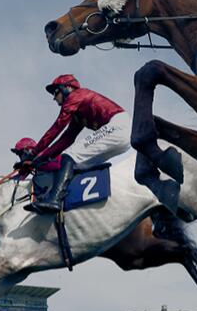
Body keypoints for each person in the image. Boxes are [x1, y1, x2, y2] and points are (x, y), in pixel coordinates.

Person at [15, 74, 129, 214]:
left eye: (55, 92)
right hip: (121, 134)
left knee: (69, 156)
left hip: (118, 127)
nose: (54, 97)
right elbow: (66, 140)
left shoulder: (75, 96)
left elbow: (56, 128)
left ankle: (54, 200)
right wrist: (36, 161)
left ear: (68, 88)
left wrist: (32, 154)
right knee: (75, 163)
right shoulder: (78, 112)